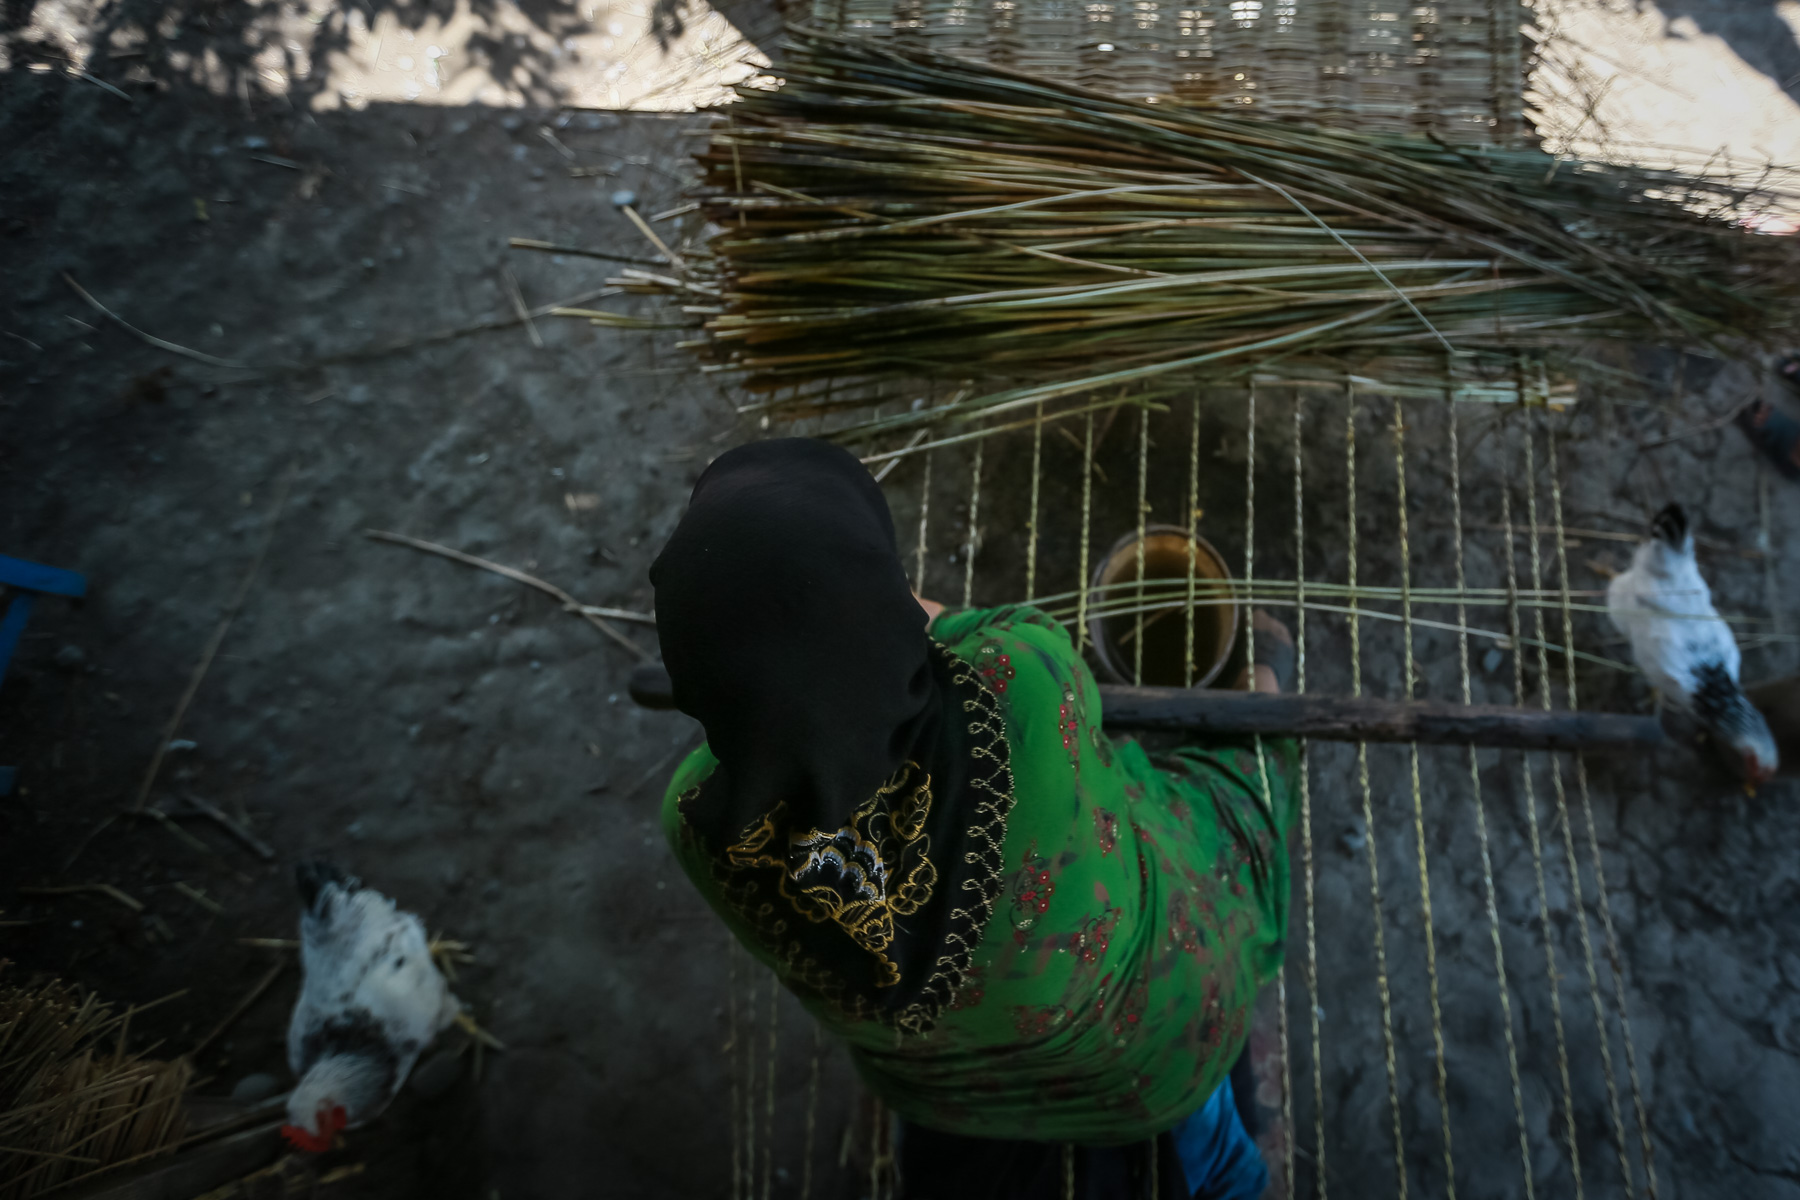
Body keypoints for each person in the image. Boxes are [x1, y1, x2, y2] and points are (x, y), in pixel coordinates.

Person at [653, 439, 1298, 1199]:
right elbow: (952, 627)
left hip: (941, 1092)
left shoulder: (695, 817)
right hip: (1149, 1057)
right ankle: (1264, 677)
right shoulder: (1018, 681)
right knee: (1227, 790)